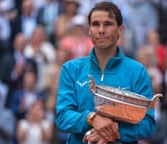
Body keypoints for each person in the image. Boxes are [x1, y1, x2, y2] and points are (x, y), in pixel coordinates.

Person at [55, 1, 156, 144]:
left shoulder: (137, 71)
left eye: (108, 24)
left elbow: (148, 124)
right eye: (95, 24)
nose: (101, 30)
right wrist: (92, 118)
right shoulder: (71, 69)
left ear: (120, 29)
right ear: (89, 30)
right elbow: (62, 117)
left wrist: (112, 133)